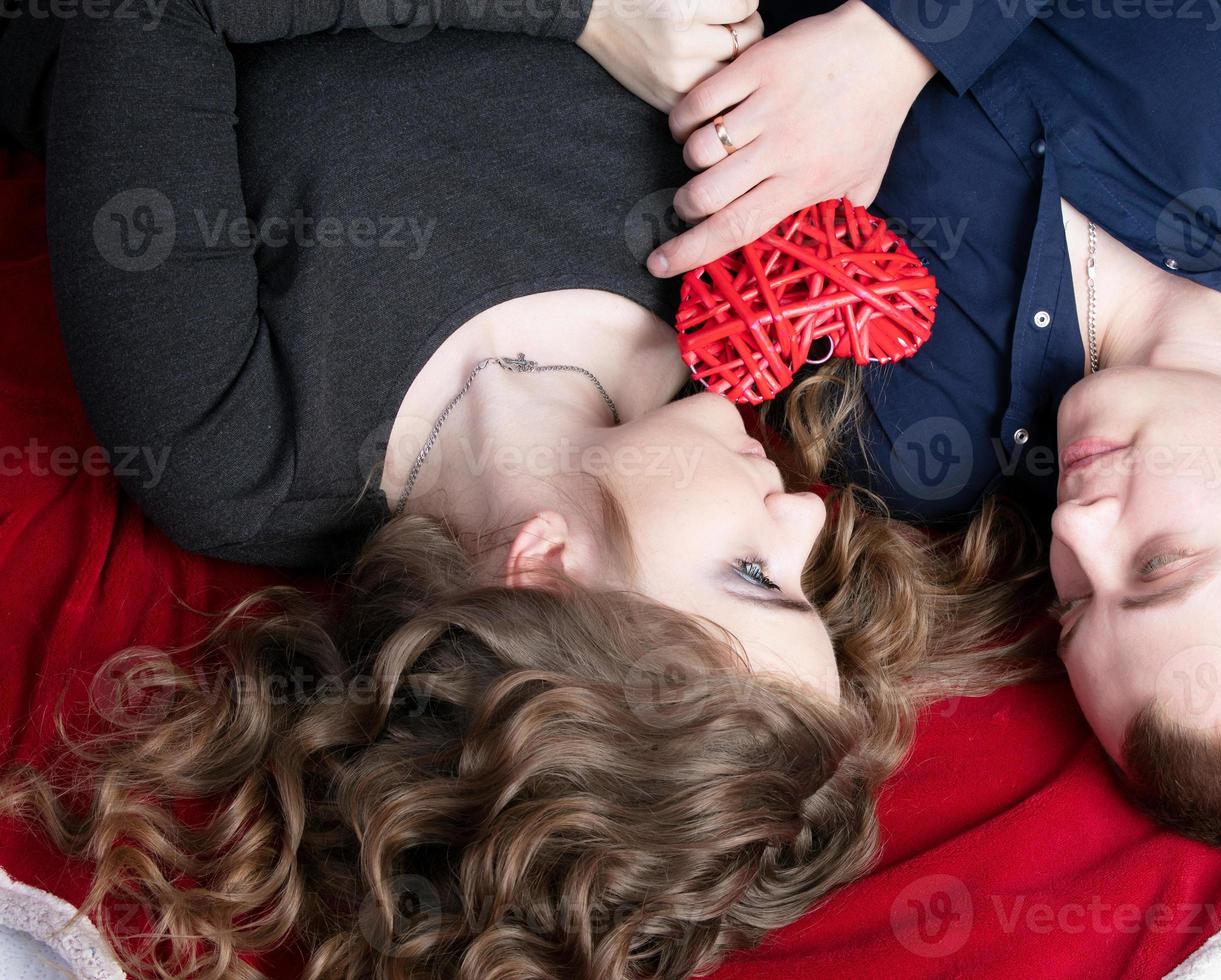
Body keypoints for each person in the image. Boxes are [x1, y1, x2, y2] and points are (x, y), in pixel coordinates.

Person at [0, 2, 1053, 978]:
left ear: (545, 569)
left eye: (751, 573)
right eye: (808, 584)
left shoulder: (230, 444)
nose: (810, 512)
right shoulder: (733, 305)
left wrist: (582, 10)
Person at [656, 0, 1221, 857]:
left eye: (1076, 602)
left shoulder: (908, 439)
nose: (1075, 528)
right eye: (1160, 565)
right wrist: (902, 37)